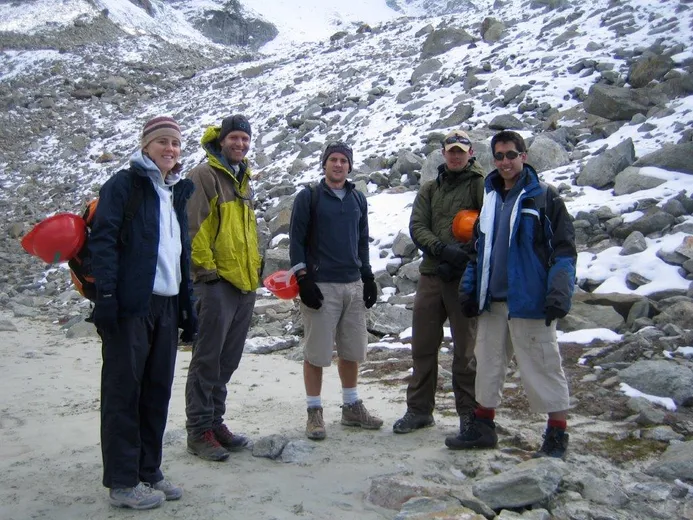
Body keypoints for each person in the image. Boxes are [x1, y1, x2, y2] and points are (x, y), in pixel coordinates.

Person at [90, 116, 196, 509]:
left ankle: (149, 471)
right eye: (163, 142)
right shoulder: (125, 185)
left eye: (176, 144)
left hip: (166, 306)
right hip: (131, 306)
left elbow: (179, 254)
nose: (170, 149)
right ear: (146, 145)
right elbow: (103, 241)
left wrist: (187, 310)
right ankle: (122, 482)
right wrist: (106, 298)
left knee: (156, 392)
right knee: (123, 392)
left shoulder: (175, 191)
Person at [451, 130, 576, 459]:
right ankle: (483, 426)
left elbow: (563, 250)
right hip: (492, 302)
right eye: (500, 155)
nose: (505, 161)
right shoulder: (490, 200)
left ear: (524, 156)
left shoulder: (544, 197)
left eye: (512, 154)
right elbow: (478, 252)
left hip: (531, 300)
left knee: (543, 364)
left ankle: (556, 435)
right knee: (488, 364)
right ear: (493, 159)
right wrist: (470, 288)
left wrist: (559, 291)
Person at [393, 130, 485, 439]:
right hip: (432, 274)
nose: (456, 156)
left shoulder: (480, 185)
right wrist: (441, 250)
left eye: (461, 151)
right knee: (423, 345)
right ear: (443, 154)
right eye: (451, 151)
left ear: (470, 153)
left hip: (465, 276)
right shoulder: (430, 189)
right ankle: (419, 410)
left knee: (466, 351)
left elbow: (489, 225)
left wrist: (462, 256)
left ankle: (470, 416)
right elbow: (417, 226)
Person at [289, 141, 382, 440]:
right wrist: (302, 279)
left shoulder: (358, 199)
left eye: (343, 160)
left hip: (353, 284)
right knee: (316, 353)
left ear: (350, 166)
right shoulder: (310, 197)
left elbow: (362, 240)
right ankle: (314, 412)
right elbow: (296, 241)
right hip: (321, 284)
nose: (338, 164)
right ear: (324, 164)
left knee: (352, 350)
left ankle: (351, 406)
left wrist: (367, 276)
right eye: (333, 160)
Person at [184, 114, 261, 461]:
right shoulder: (205, 175)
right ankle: (199, 431)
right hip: (216, 283)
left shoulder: (242, 178)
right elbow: (194, 226)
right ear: (222, 140)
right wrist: (207, 272)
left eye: (245, 139)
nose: (240, 144)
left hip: (243, 283)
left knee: (227, 360)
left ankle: (215, 422)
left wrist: (253, 274)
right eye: (235, 138)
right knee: (207, 360)